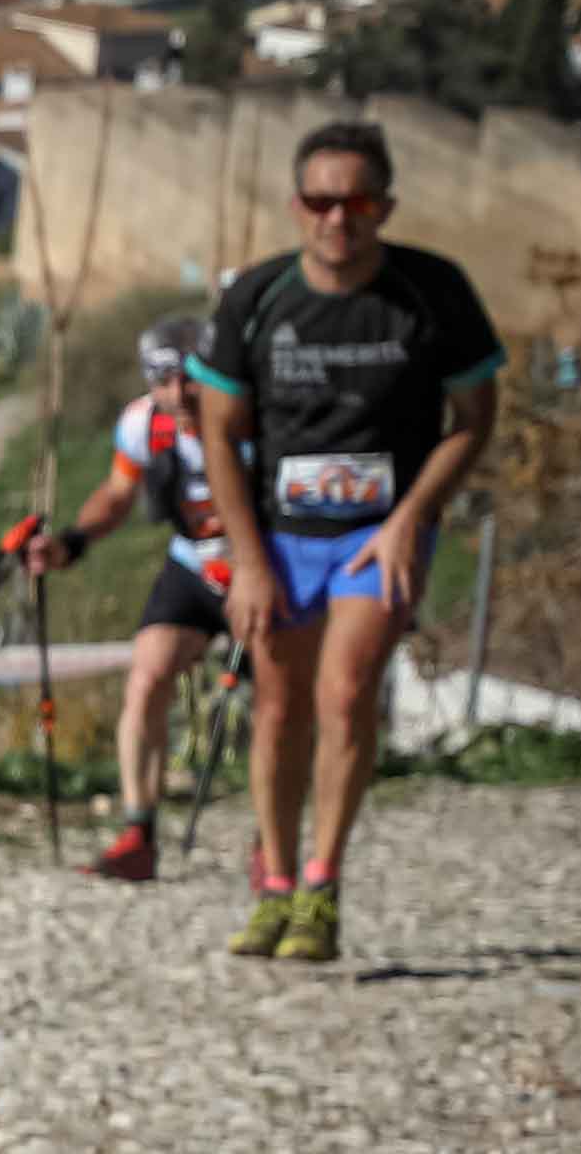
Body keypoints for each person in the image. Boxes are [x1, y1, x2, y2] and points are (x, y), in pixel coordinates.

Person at [186, 115, 502, 963]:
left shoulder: (432, 293)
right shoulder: (255, 301)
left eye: (355, 201)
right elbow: (217, 433)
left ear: (384, 206)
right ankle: (275, 884)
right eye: (321, 202)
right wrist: (246, 561)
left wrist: (410, 518)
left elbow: (473, 419)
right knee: (279, 707)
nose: (338, 219)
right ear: (296, 206)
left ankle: (323, 885)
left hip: (377, 534)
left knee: (345, 691)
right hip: (281, 537)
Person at [12, 322, 257, 888]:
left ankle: (272, 843)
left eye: (190, 377)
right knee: (146, 676)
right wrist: (70, 543)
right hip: (192, 564)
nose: (179, 394)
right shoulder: (142, 425)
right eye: (163, 380)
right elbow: (117, 495)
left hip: (258, 565)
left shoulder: (251, 418)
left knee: (272, 696)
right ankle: (138, 833)